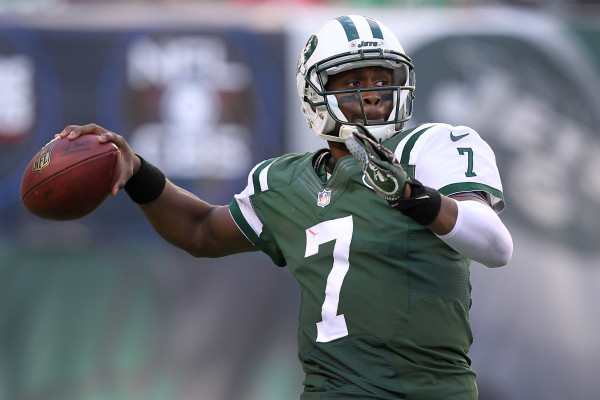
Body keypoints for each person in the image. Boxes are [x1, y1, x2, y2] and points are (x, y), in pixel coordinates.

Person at [58, 15, 513, 400]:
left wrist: (412, 196)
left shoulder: (431, 147)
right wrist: (137, 171)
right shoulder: (282, 182)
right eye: (354, 81)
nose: (374, 93)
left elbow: (494, 244)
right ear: (314, 93)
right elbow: (199, 231)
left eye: (383, 80)